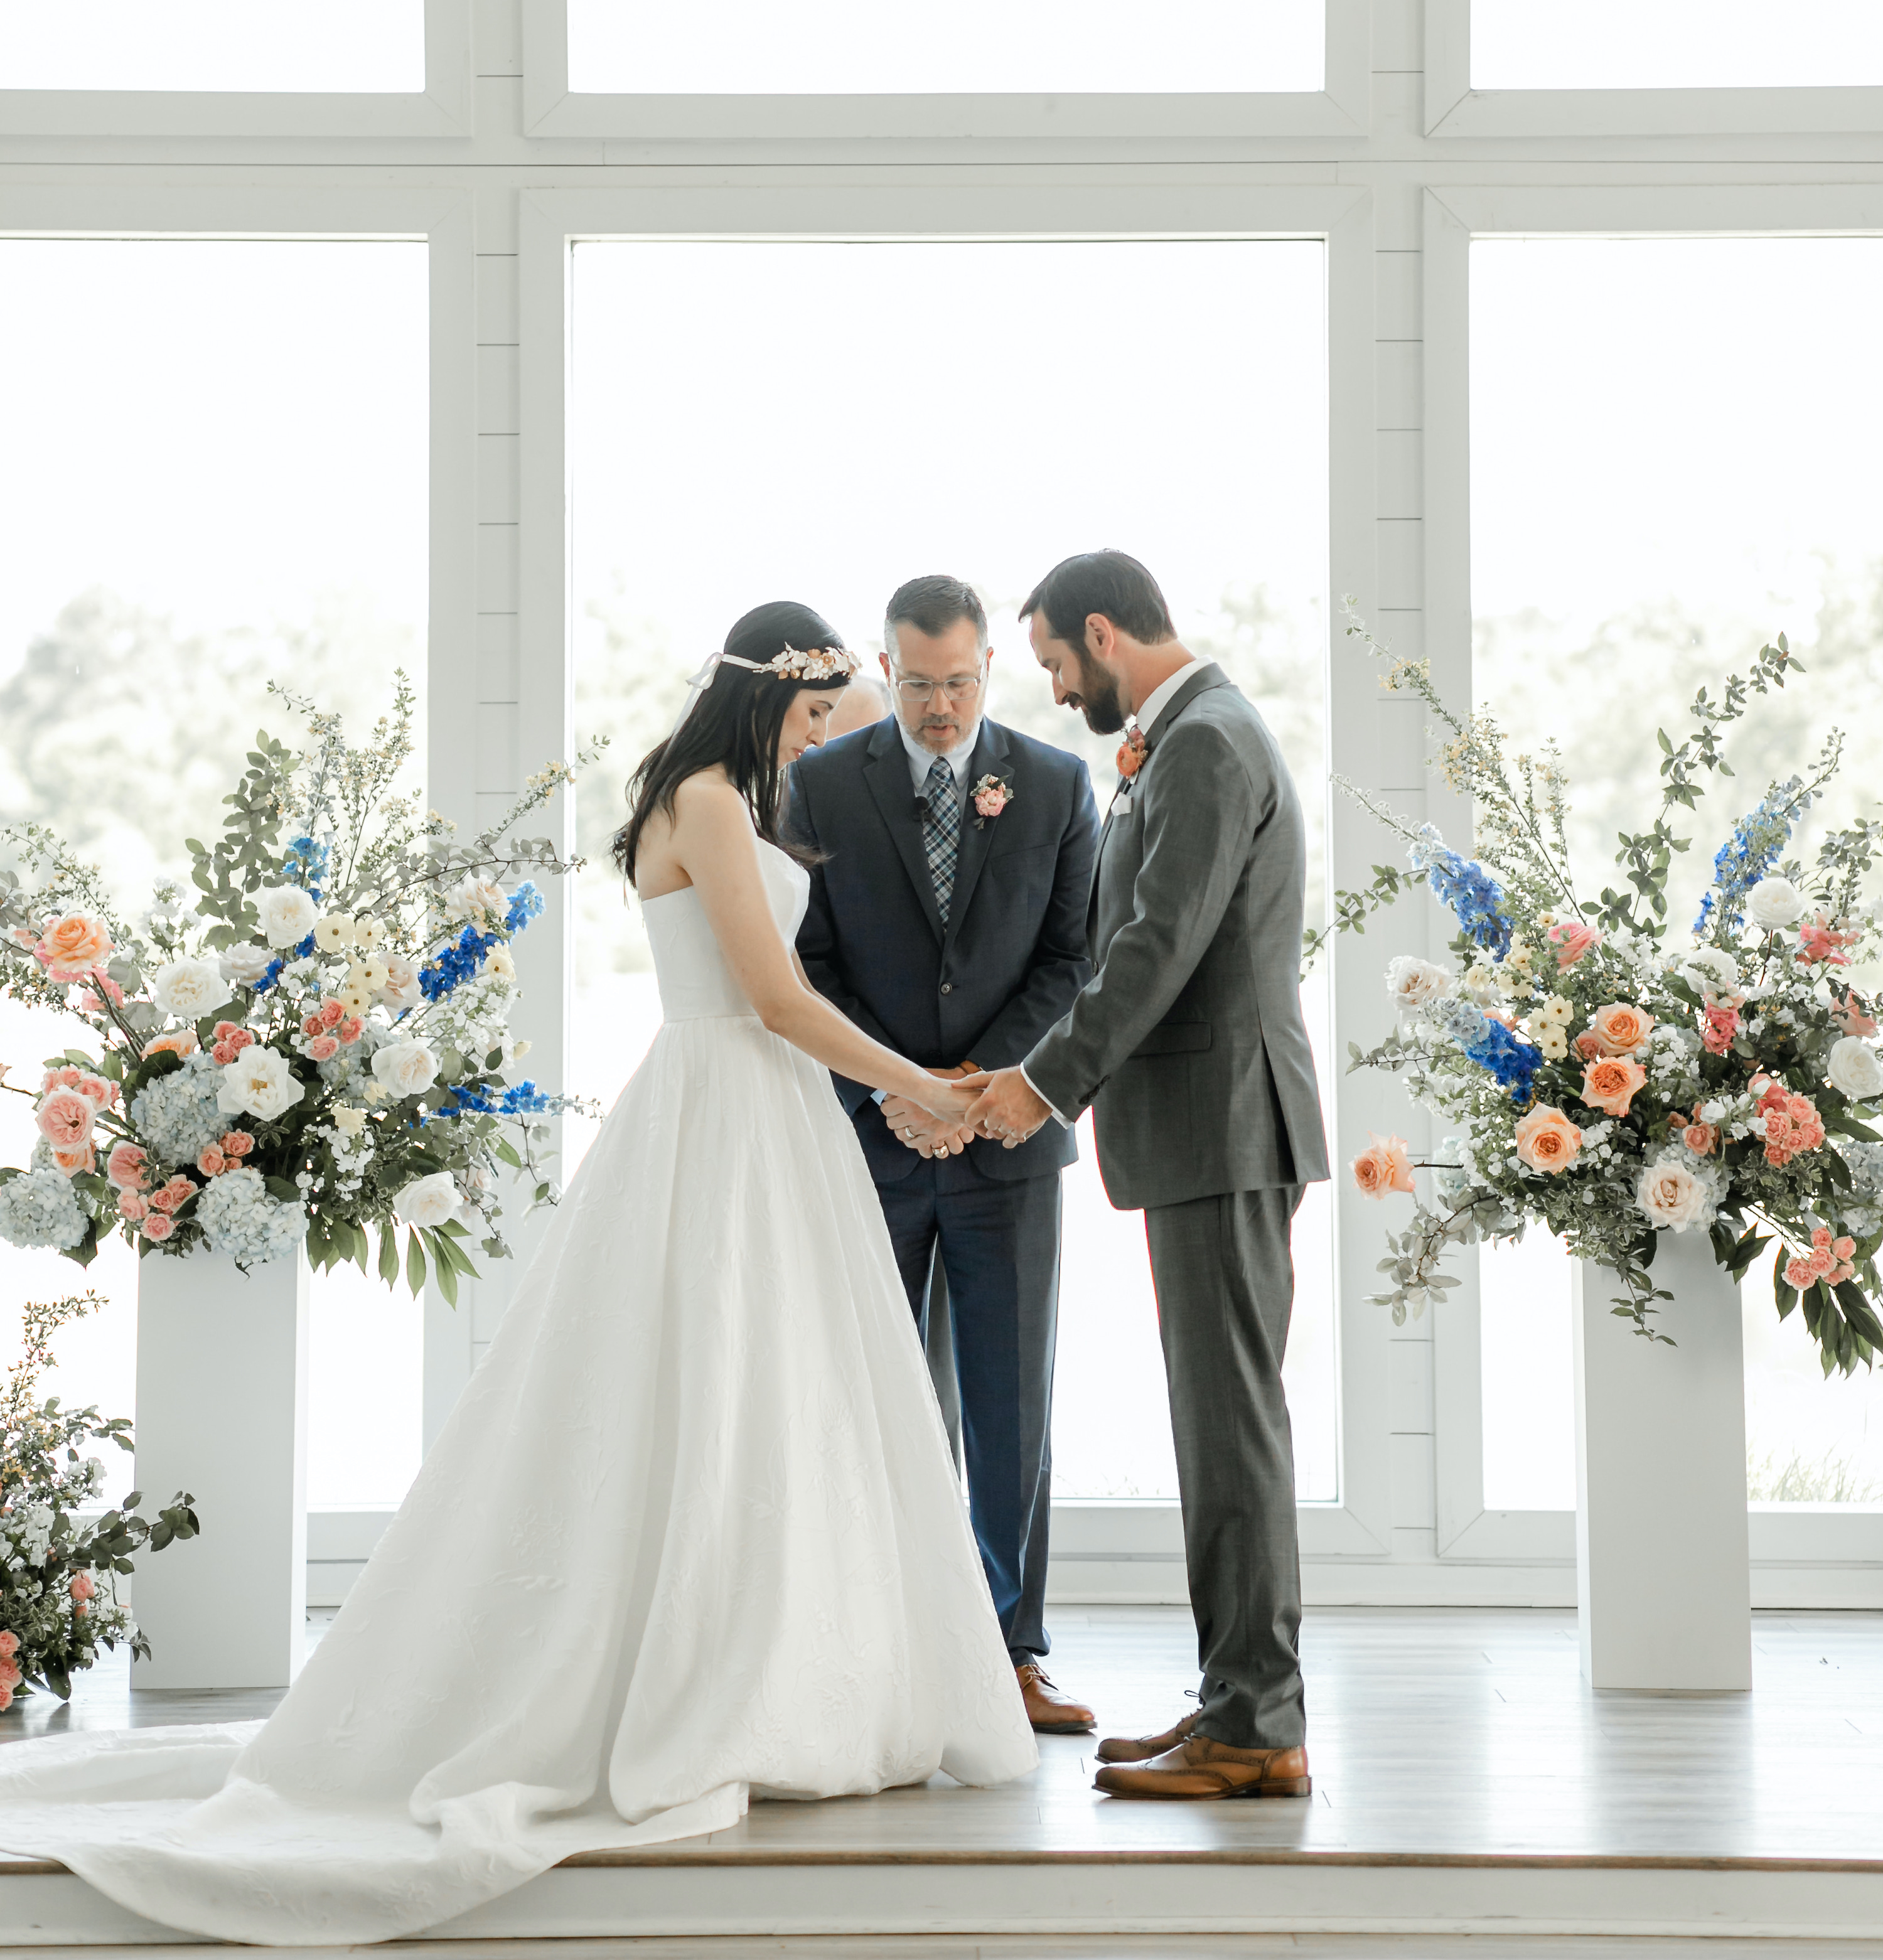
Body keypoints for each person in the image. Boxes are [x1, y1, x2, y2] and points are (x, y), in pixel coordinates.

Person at [0, 599, 1038, 1946]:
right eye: (820, 697)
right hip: (728, 1100)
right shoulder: (713, 798)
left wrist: (900, 1088)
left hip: (768, 1113)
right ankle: (711, 1679)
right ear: (776, 689)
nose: (831, 721)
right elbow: (773, 999)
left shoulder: (734, 793)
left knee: (787, 1386)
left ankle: (795, 1663)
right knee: (713, 1378)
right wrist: (914, 1083)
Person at [964, 551, 1329, 1802]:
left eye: (1061, 664)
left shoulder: (1207, 745)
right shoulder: (1190, 742)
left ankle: (1258, 1725)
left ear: (1105, 633)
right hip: (1204, 1128)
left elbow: (1155, 946)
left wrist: (1041, 1078)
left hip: (1226, 1126)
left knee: (1231, 1429)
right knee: (1218, 1424)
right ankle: (1235, 1702)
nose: (1061, 694)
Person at [791, 574, 1101, 1736]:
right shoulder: (820, 785)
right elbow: (809, 964)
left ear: (990, 672)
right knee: (873, 1401)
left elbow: (1073, 963)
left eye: (958, 683)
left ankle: (1012, 1653)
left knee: (1013, 1402)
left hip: (1007, 1143)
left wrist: (973, 1095)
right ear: (885, 670)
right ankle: (876, 1652)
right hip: (868, 1143)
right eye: (915, 684)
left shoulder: (1061, 784)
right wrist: (898, 1092)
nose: (936, 707)